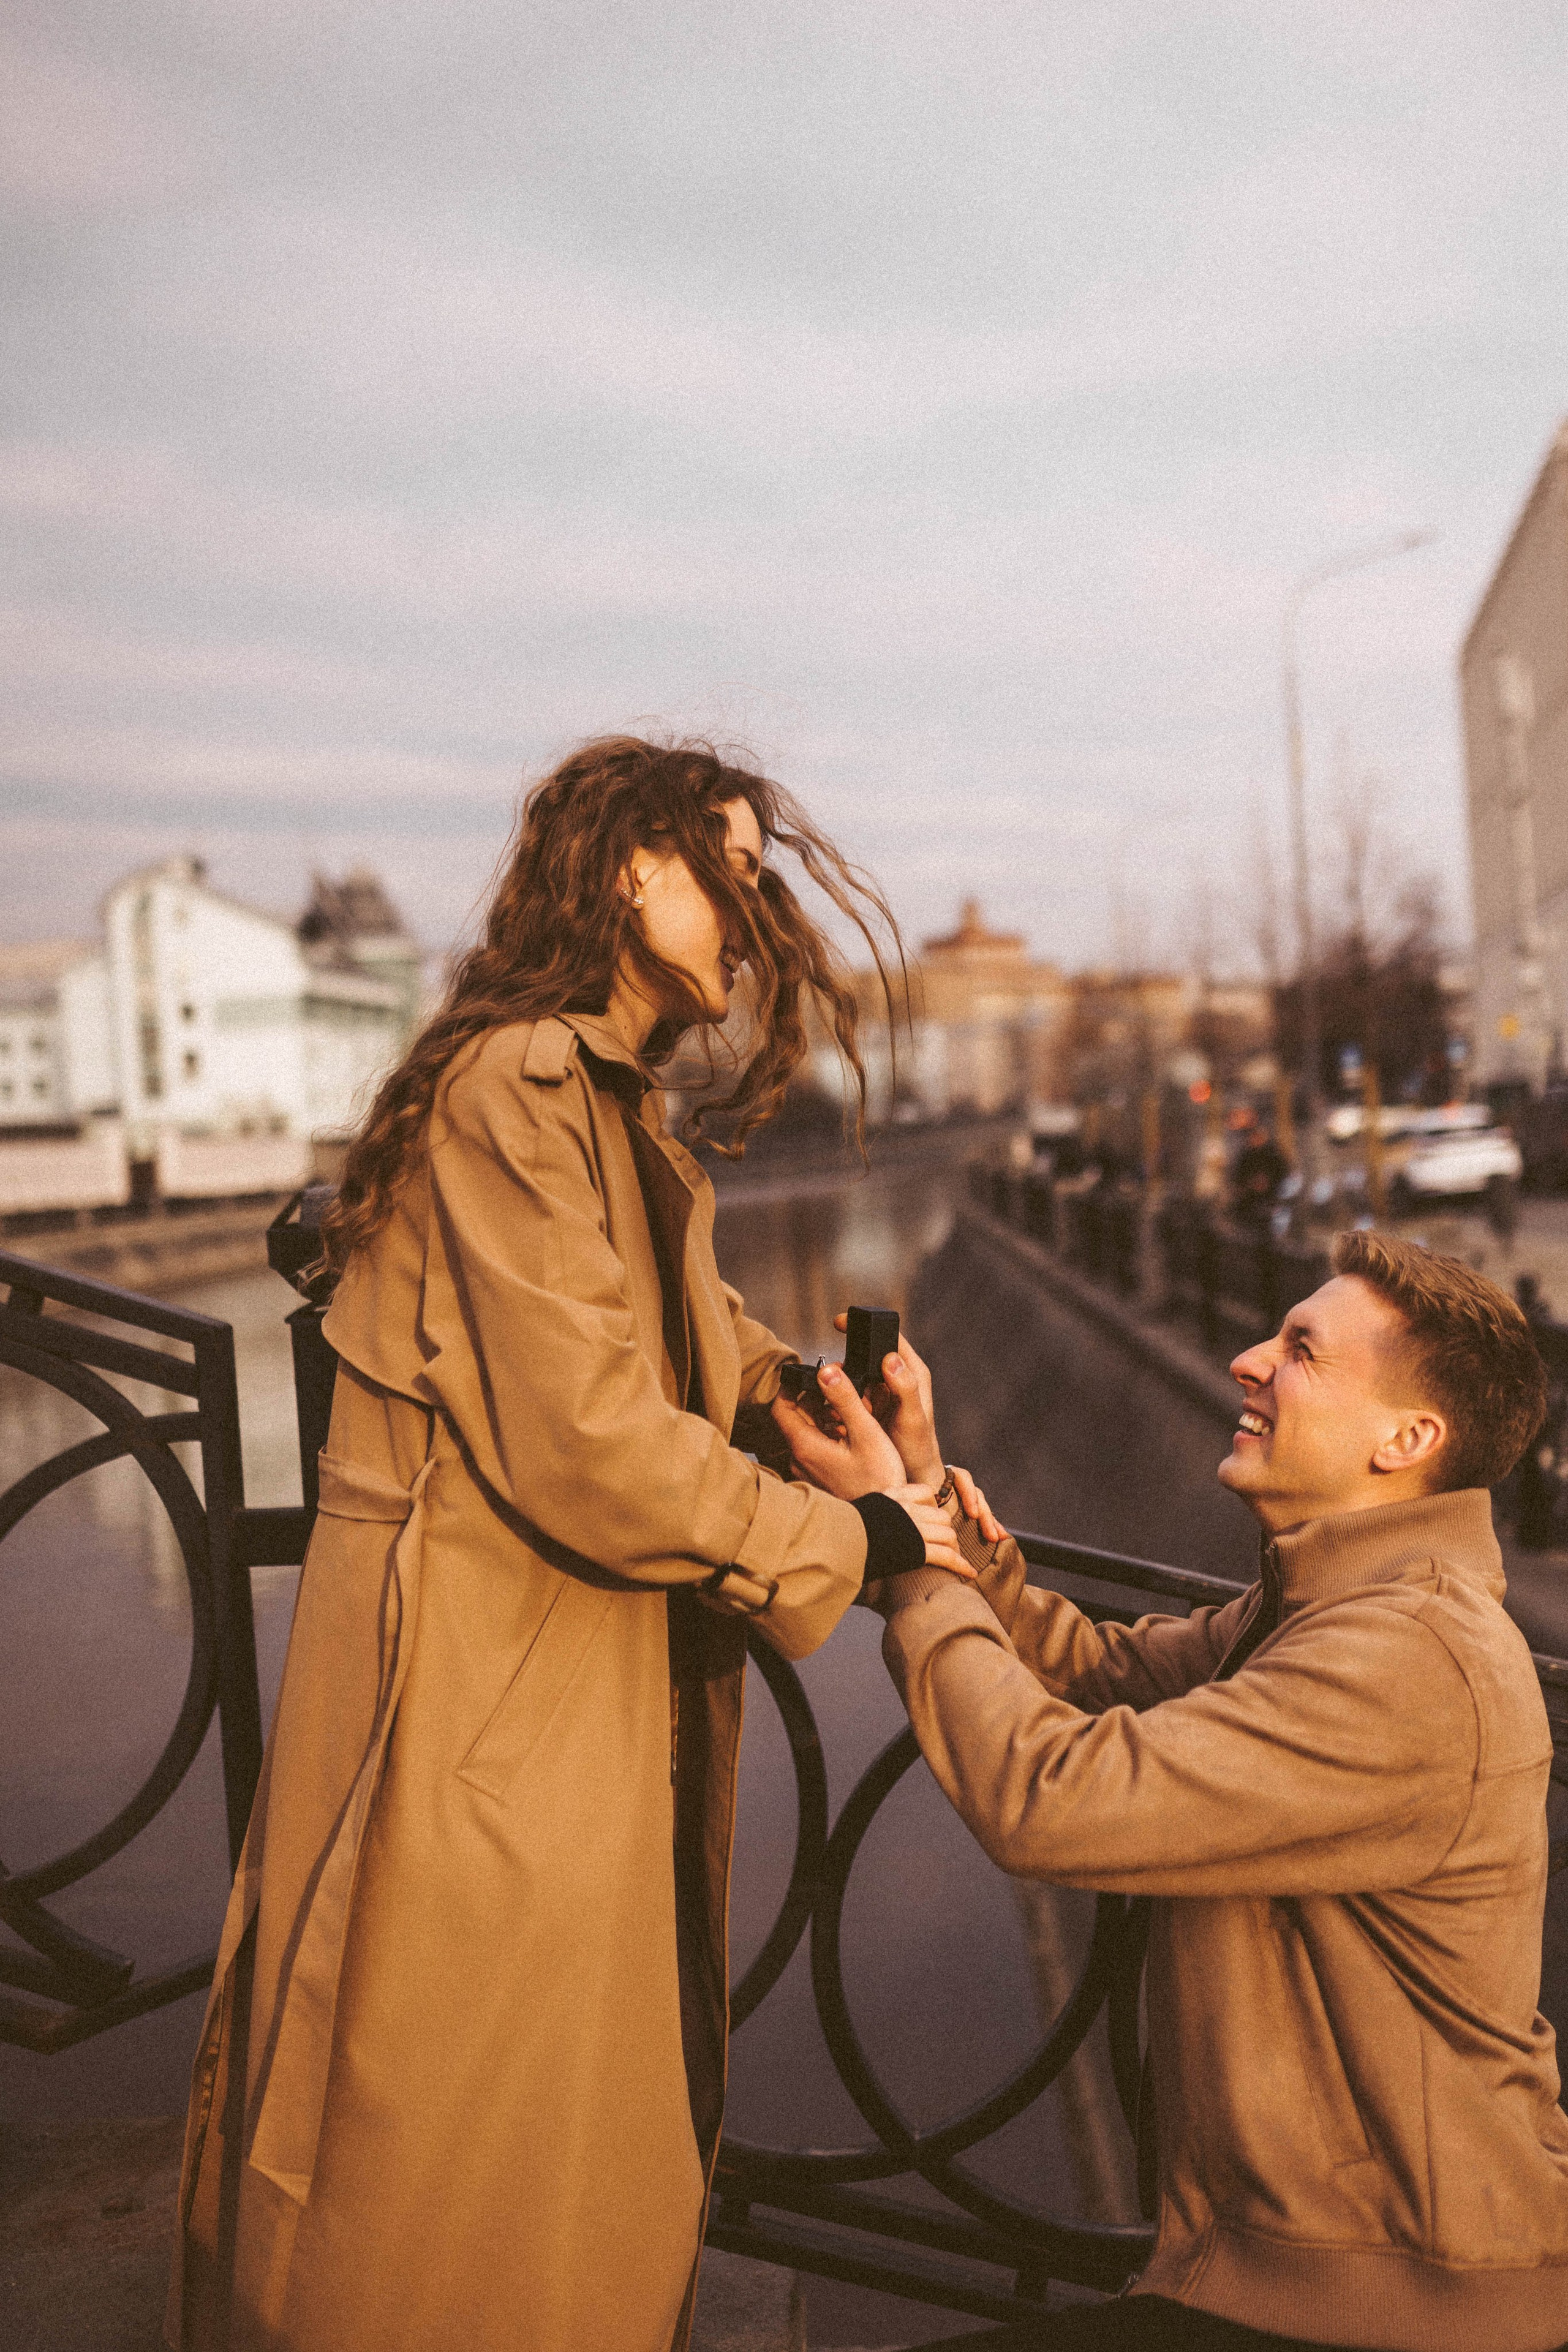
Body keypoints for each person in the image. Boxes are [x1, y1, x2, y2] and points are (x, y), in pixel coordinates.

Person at [167, 737, 963, 2352]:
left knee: (518, 2140)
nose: (758, 911)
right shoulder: (523, 1087)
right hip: (482, 1697)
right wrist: (859, 1535)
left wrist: (796, 1393)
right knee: (451, 2155)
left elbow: (665, 1328)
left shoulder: (585, 1095)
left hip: (533, 1680)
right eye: (728, 868)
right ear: (627, 869)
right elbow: (594, 1441)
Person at [778, 1229, 1568, 2351]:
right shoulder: (1340, 1599)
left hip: (1394, 2303)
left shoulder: (1411, 1656)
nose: (1248, 1359)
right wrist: (926, 1500)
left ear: (1407, 1440)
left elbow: (1047, 1796)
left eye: (1301, 1350)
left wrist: (909, 1562)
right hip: (1300, 2270)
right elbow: (1098, 1674)